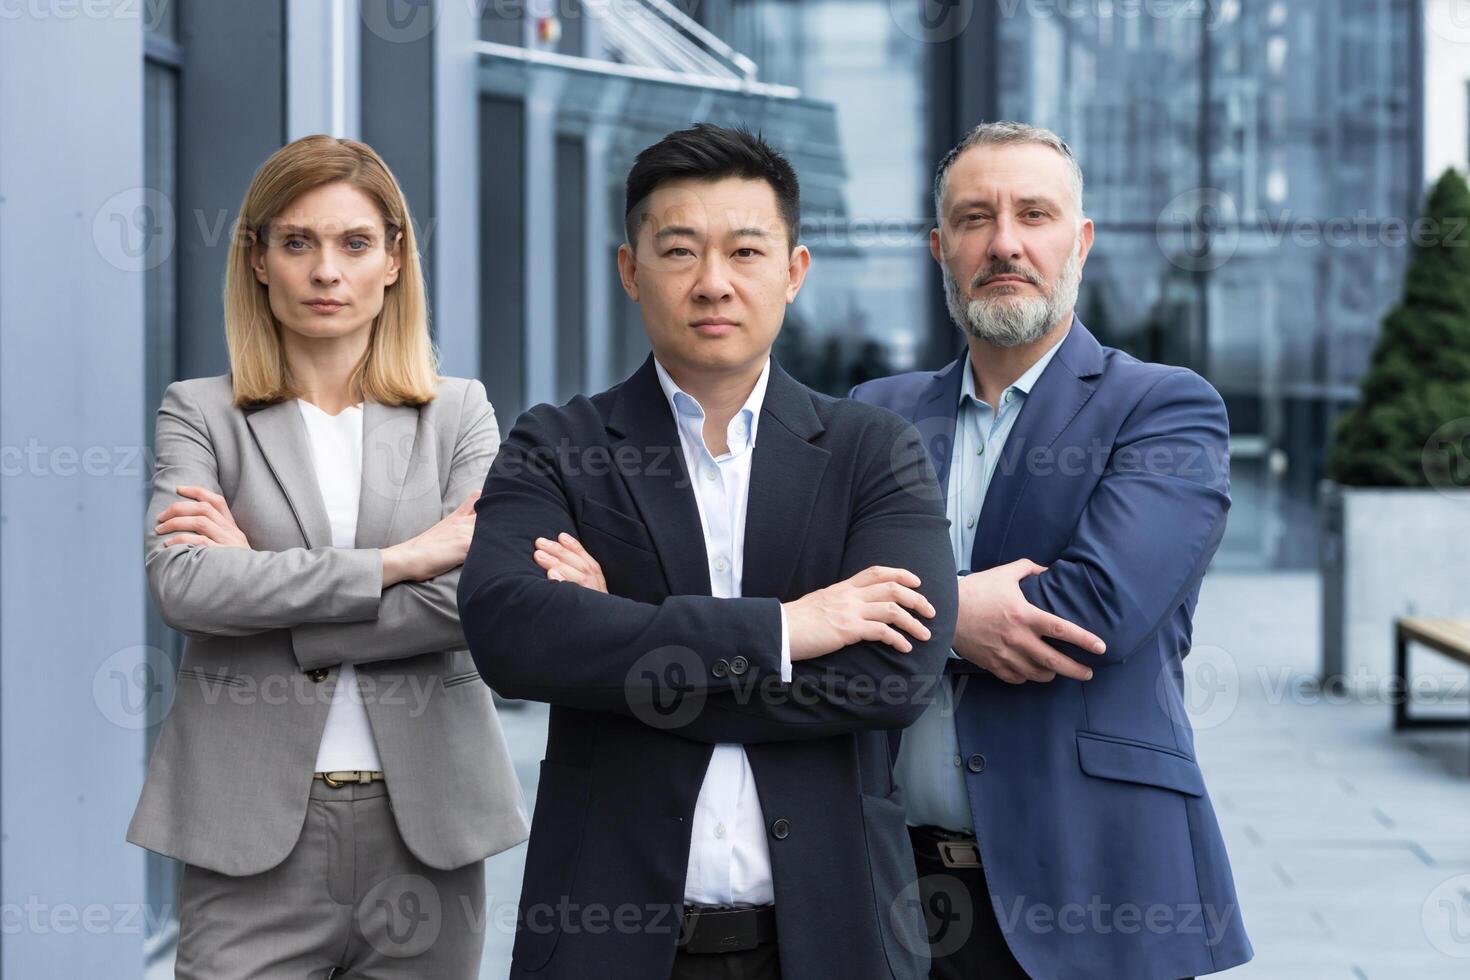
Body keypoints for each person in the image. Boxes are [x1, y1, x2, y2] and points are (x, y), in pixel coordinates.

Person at [457, 123, 959, 980]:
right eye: (680, 250)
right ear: (630, 269)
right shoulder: (559, 444)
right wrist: (786, 632)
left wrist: (620, 633)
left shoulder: (874, 450)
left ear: (793, 272)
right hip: (606, 939)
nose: (713, 283)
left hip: (832, 939)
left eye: (746, 252)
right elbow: (512, 634)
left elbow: (894, 676)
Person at [851, 121, 1254, 980]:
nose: (1004, 242)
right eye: (973, 219)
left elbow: (1091, 610)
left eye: (1034, 214)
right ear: (938, 247)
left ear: (1081, 239)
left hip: (1094, 888)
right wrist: (961, 613)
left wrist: (906, 609)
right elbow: (802, 586)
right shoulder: (874, 416)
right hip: (891, 892)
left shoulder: (1165, 408)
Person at [128, 134, 528, 979]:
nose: (325, 272)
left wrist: (269, 590)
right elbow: (187, 585)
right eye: (297, 242)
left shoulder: (461, 414)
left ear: (393, 260)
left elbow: (483, 597)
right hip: (247, 836)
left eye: (353, 244)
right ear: (259, 260)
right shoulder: (201, 413)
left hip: (428, 828)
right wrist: (402, 560)